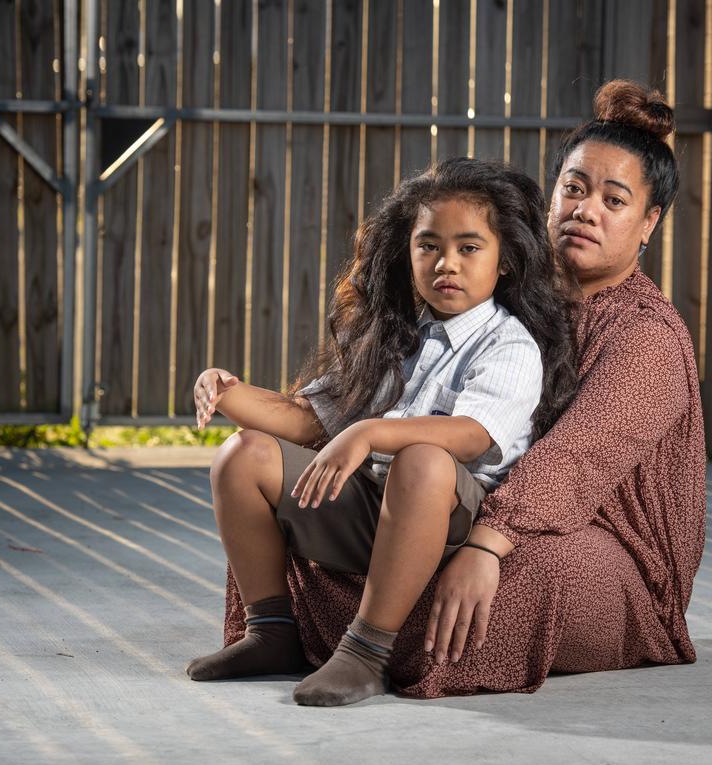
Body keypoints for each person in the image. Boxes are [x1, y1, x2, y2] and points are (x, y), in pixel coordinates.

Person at [220, 79, 706, 698]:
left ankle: (368, 642)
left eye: (615, 200)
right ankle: (287, 630)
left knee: (504, 579)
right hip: (464, 500)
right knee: (305, 485)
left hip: (603, 551)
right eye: (574, 188)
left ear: (649, 223)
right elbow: (361, 399)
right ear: (551, 196)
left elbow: (575, 459)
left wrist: (485, 545)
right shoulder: (502, 290)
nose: (586, 210)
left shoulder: (647, 335)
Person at [185, 158, 579, 706]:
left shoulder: (508, 344)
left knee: (423, 458)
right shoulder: (396, 337)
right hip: (375, 506)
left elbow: (470, 435)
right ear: (406, 252)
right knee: (242, 455)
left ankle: (367, 653)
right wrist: (228, 391)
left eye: (469, 248)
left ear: (505, 260)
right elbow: (308, 417)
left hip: (447, 519)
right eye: (428, 246)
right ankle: (271, 630)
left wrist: (370, 432)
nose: (447, 263)